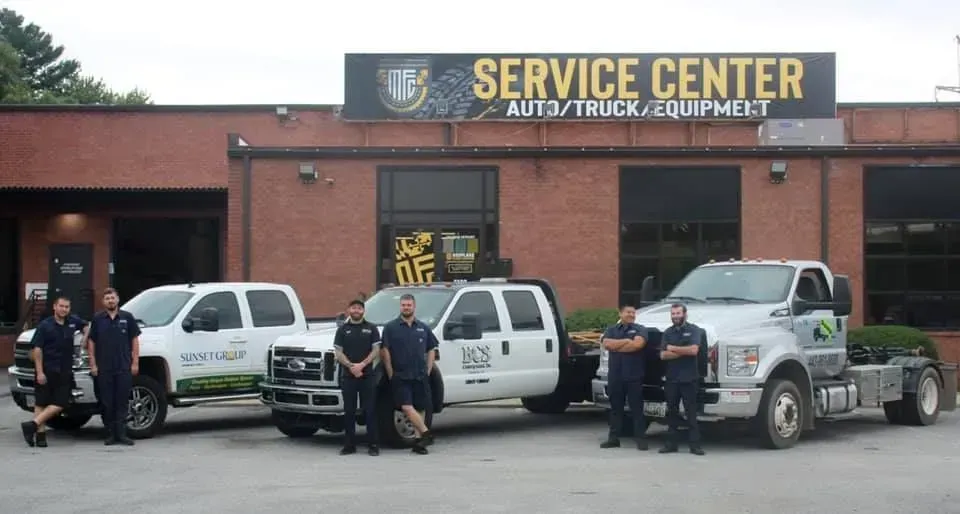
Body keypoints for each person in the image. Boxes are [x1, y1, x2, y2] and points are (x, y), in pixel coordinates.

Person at [20, 296, 89, 448]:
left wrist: (85, 337)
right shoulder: (45, 325)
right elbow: (37, 349)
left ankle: (32, 425)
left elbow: (86, 326)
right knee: (41, 402)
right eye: (61, 306)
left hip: (64, 370)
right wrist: (39, 372)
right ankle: (40, 436)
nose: (64, 309)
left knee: (61, 402)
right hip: (46, 369)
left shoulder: (72, 321)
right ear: (54, 307)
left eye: (67, 307)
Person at [380, 293, 437, 455]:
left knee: (420, 408)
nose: (406, 307)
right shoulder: (391, 327)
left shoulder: (423, 327)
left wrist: (428, 369)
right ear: (400, 307)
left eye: (409, 305)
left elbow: (431, 348)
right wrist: (390, 371)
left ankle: (420, 443)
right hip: (400, 375)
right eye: (403, 305)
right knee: (406, 406)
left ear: (414, 306)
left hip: (420, 375)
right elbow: (385, 350)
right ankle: (427, 433)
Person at [87, 288, 141, 446]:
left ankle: (122, 434)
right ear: (103, 302)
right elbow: (91, 342)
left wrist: (135, 362)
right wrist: (93, 363)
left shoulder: (127, 317)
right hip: (104, 368)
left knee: (122, 401)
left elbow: (134, 340)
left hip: (123, 367)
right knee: (107, 402)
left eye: (113, 298)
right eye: (107, 298)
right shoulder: (98, 319)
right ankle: (110, 434)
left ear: (118, 299)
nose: (110, 300)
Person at [333, 299, 382, 456]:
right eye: (353, 308)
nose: (356, 310)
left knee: (370, 411)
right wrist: (351, 367)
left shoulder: (371, 328)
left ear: (363, 311)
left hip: (367, 376)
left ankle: (373, 445)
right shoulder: (342, 330)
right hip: (348, 376)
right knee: (349, 411)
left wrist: (362, 365)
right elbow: (338, 353)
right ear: (349, 310)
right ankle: (349, 445)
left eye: (359, 308)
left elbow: (376, 350)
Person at [599, 304, 649, 450]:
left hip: (634, 376)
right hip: (616, 375)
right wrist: (627, 341)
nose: (631, 315)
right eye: (628, 312)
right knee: (615, 409)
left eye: (633, 313)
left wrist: (619, 345)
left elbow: (637, 345)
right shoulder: (611, 329)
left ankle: (641, 439)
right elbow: (607, 344)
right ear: (620, 313)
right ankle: (613, 439)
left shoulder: (641, 329)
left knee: (636, 409)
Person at [658, 303, 705, 456]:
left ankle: (695, 445)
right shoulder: (667, 332)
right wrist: (683, 351)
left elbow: (694, 350)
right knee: (671, 412)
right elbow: (663, 355)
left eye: (678, 313)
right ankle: (671, 444)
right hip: (672, 379)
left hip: (689, 378)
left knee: (691, 413)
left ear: (685, 314)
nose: (676, 316)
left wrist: (673, 348)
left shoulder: (694, 330)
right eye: (673, 314)